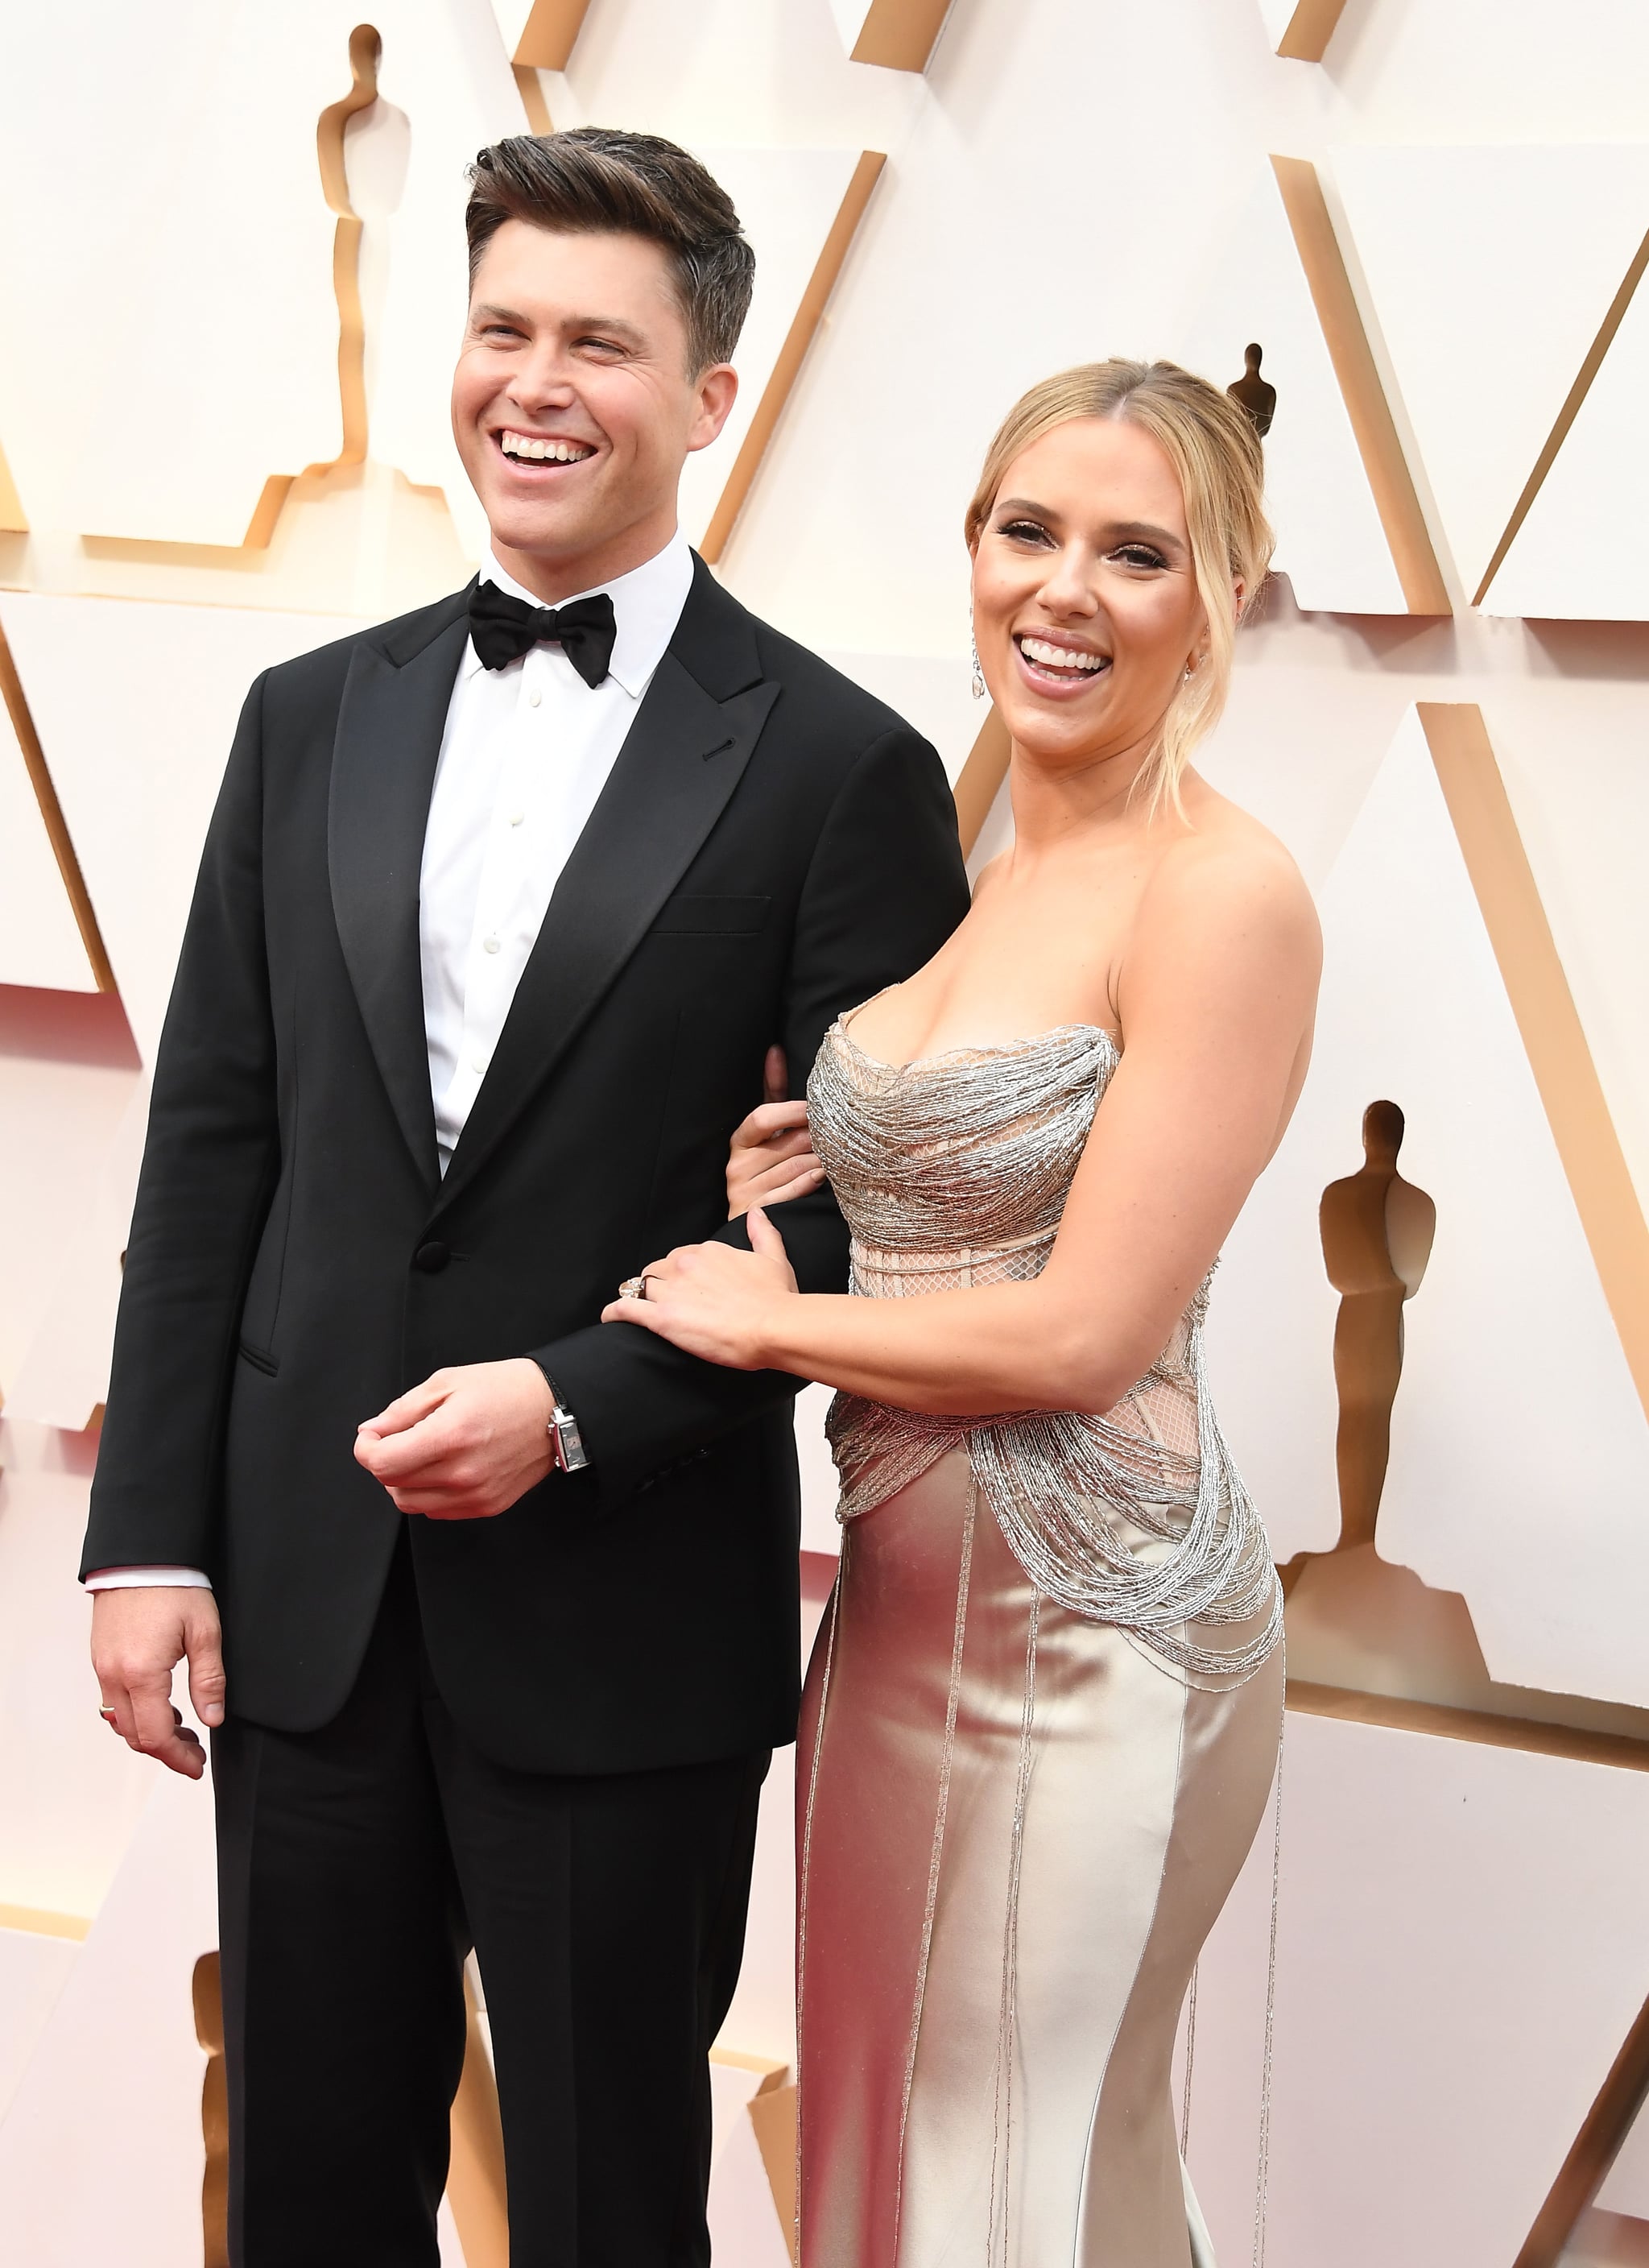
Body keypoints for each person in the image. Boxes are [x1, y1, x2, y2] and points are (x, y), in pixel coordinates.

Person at [80, 128, 969, 2266]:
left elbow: (881, 1225)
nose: (535, 382)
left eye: (600, 340)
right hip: (301, 1607)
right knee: (296, 2197)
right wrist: (151, 1538)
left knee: (599, 2214)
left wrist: (577, 1399)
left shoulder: (842, 769)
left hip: (622, 1619)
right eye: (500, 328)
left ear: (711, 394)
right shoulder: (310, 719)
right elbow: (216, 1142)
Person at [604, 358, 1323, 2266]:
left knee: (1013, 2180)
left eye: (1135, 553)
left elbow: (1083, 1331)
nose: (1062, 590)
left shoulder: (1224, 892)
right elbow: (985, 1161)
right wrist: (821, 1147)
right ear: (974, 551)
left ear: (1222, 597)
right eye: (1027, 533)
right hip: (907, 1618)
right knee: (893, 2152)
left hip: (1093, 1620)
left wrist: (768, 1330)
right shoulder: (989, 850)